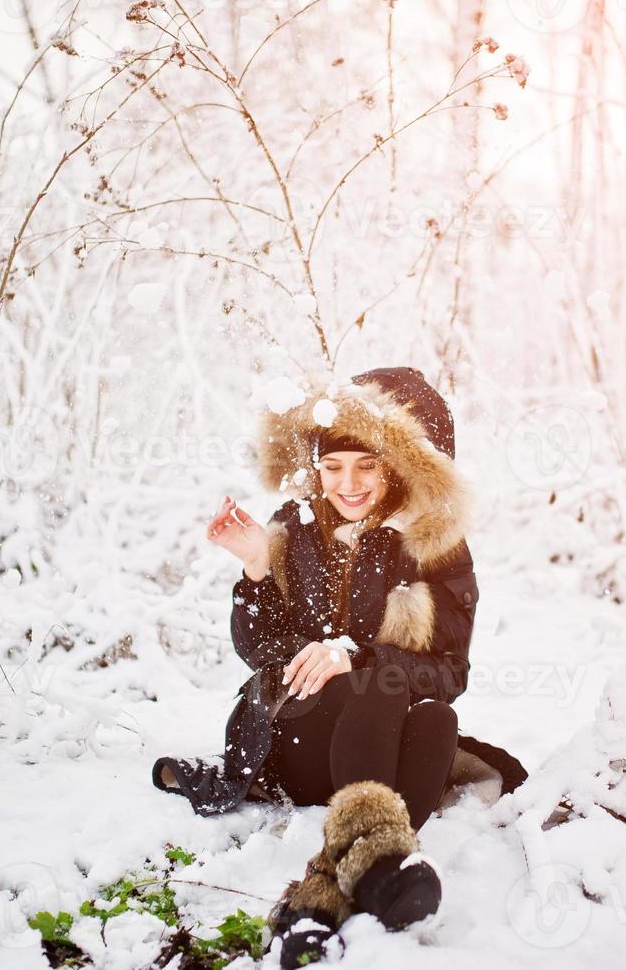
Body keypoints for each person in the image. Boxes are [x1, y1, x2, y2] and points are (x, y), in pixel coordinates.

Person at [150, 367, 526, 966]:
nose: (347, 484)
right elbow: (258, 652)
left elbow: (450, 673)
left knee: (434, 723)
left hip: (375, 755)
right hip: (292, 739)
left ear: (398, 467)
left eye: (367, 466)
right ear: (315, 466)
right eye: (333, 467)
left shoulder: (434, 545)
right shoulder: (295, 527)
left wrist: (360, 655)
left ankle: (329, 895)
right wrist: (255, 569)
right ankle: (374, 865)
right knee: (376, 688)